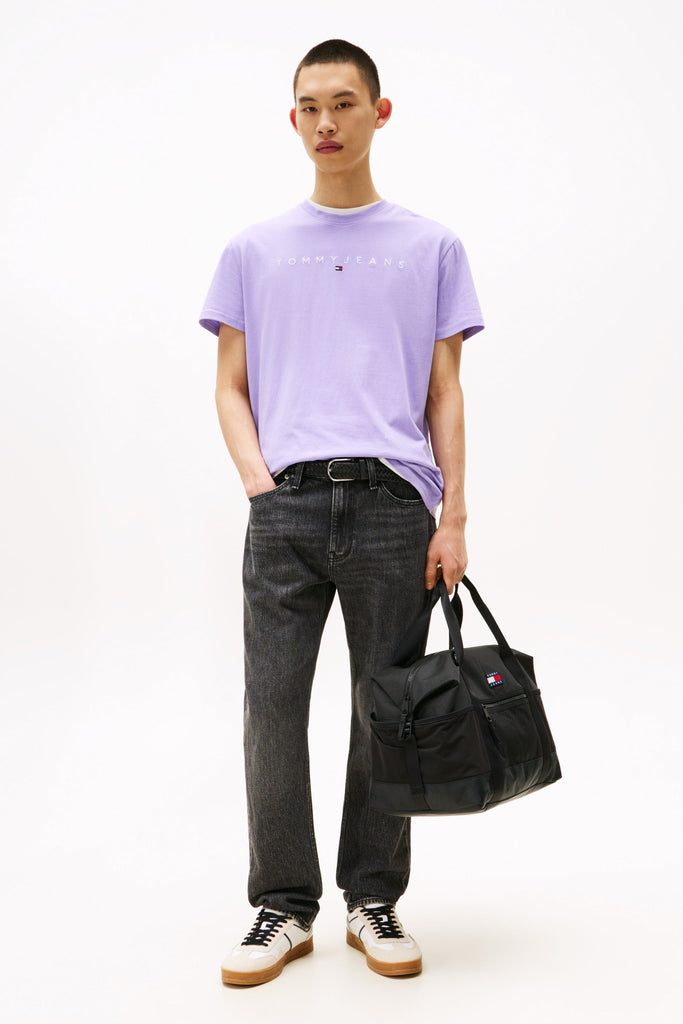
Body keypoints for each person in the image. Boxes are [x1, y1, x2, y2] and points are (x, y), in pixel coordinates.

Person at [198, 38, 484, 986]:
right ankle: (282, 907)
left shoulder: (430, 246)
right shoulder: (253, 249)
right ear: (293, 119)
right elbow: (230, 384)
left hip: (394, 506)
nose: (326, 122)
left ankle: (373, 897)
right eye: (310, 107)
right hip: (284, 508)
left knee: (386, 710)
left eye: (344, 103)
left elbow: (443, 390)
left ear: (378, 111)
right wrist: (259, 484)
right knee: (271, 711)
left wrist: (451, 515)